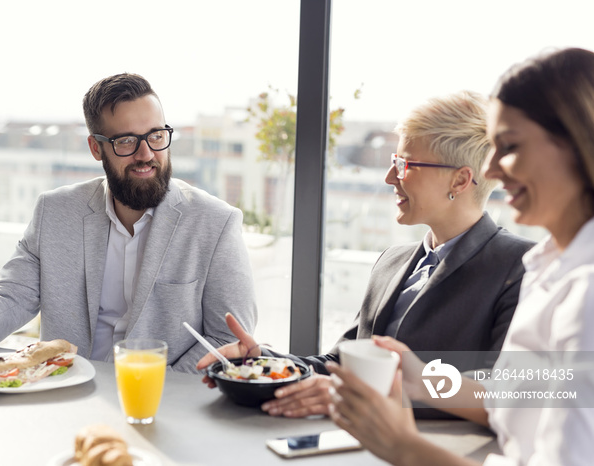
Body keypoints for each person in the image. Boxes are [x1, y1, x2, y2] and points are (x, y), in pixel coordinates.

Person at [326, 47, 594, 466]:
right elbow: (520, 399)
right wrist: (419, 379)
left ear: (575, 144)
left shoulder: (584, 291)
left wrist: (406, 448)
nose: (491, 167)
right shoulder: (549, 268)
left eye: (509, 145)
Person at [197, 90, 534, 416]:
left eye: (404, 165)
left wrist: (362, 395)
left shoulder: (522, 268)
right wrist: (265, 362)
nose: (390, 178)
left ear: (460, 181)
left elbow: (506, 396)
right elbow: (339, 365)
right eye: (393, 162)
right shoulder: (392, 262)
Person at [0, 73, 257, 373]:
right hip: (65, 394)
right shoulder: (55, 211)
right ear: (96, 148)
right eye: (127, 141)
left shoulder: (216, 223)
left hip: (163, 403)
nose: (147, 154)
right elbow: (10, 297)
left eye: (156, 136)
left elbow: (229, 339)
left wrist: (153, 390)